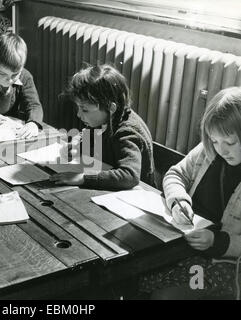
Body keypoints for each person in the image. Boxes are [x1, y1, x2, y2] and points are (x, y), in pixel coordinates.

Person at [138, 87, 241, 300]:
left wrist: (217, 242)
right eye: (214, 140)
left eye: (230, 143)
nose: (221, 150)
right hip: (187, 250)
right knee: (135, 277)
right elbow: (176, 174)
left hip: (226, 267)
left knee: (164, 296)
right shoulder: (208, 151)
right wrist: (178, 201)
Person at [50, 64, 155, 190]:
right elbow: (89, 135)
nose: (78, 114)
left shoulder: (127, 132)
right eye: (78, 107)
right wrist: (78, 145)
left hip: (135, 196)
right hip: (108, 187)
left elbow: (129, 176)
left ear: (111, 108)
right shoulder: (106, 119)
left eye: (84, 109)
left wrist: (82, 178)